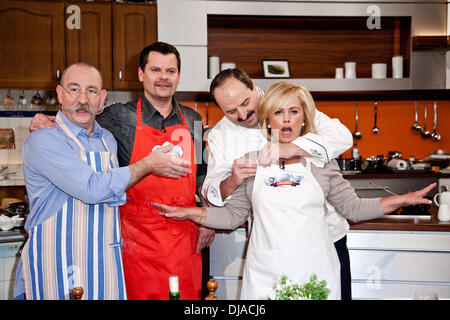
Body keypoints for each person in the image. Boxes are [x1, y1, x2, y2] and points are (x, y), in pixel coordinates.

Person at [152, 81, 436, 300]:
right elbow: (233, 216)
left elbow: (354, 208)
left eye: (293, 112)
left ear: (304, 118)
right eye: (278, 112)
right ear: (268, 120)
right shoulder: (251, 162)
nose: (286, 120)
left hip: (316, 271)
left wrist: (403, 200)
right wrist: (187, 213)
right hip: (265, 273)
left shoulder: (321, 160)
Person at [28, 42, 213, 300]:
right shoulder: (118, 117)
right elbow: (80, 118)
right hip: (137, 244)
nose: (163, 77)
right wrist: (47, 120)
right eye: (155, 69)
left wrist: (208, 217)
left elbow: (202, 175)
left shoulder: (194, 120)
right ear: (141, 74)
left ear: (178, 76)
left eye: (170, 71)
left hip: (184, 239)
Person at [201, 68, 355, 299]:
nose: (243, 114)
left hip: (326, 238)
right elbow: (213, 192)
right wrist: (232, 180)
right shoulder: (220, 136)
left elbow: (342, 137)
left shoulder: (287, 103)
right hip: (272, 248)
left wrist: (291, 148)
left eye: (245, 102)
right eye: (231, 111)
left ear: (253, 87)